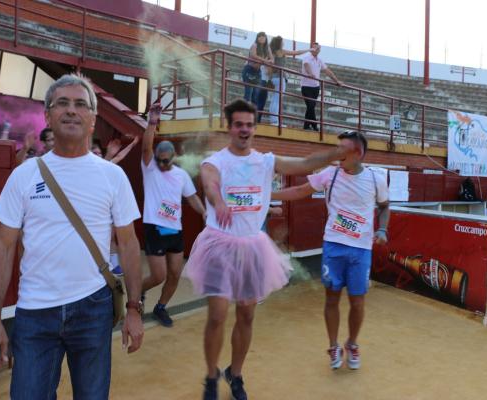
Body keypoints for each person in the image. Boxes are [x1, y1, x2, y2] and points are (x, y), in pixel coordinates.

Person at [0, 74, 144, 399]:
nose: (72, 111)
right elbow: (3, 247)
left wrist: (135, 310)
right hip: (34, 312)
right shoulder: (23, 176)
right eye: (62, 104)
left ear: (93, 120)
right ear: (48, 115)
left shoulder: (113, 176)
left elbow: (128, 244)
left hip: (94, 307)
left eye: (81, 104)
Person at [185, 99, 352, 400]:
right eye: (239, 124)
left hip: (252, 246)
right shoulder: (216, 161)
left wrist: (337, 153)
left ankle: (234, 374)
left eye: (249, 124)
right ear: (229, 127)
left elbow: (304, 164)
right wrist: (219, 201)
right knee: (218, 314)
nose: (244, 130)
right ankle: (211, 375)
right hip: (220, 244)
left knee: (247, 314)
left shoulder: (264, 161)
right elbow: (210, 184)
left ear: (254, 127)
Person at [272, 130, 389, 370]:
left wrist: (383, 229)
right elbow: (298, 191)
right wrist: (266, 195)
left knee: (358, 302)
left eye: (342, 149)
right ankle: (333, 344)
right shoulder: (329, 174)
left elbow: (385, 207)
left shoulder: (376, 179)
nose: (336, 153)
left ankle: (352, 343)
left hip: (361, 250)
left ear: (358, 153)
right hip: (334, 247)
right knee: (331, 298)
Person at [141, 104, 206, 327]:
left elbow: (192, 198)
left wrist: (204, 211)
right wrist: (152, 122)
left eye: (166, 160)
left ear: (173, 157)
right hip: (154, 226)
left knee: (175, 274)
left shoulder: (181, 176)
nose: (161, 163)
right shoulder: (150, 169)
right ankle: (137, 292)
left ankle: (161, 307)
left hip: (174, 229)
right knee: (157, 276)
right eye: (159, 159)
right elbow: (146, 148)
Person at [91, 136, 141, 276]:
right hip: (92, 209)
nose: (97, 155)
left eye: (99, 153)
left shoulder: (108, 166)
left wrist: (132, 144)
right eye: (94, 153)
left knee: (112, 237)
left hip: (106, 207)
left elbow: (119, 155)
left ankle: (114, 264)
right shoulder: (85, 170)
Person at [267, 36, 312, 126]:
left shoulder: (271, 51)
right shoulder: (281, 51)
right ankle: (274, 121)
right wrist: (309, 49)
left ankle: (274, 120)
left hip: (274, 77)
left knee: (275, 99)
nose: (283, 43)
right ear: (279, 43)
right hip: (280, 77)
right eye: (282, 41)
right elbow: (296, 53)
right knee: (277, 100)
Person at [300, 43, 342, 131]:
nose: (317, 49)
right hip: (306, 86)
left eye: (318, 48)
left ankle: (306, 126)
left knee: (310, 107)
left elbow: (327, 71)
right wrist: (310, 73)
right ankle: (315, 125)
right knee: (311, 105)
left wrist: (336, 81)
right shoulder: (307, 57)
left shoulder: (319, 60)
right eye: (315, 48)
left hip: (315, 87)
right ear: (312, 48)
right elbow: (306, 65)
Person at [241, 32, 273, 104]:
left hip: (258, 71)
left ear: (266, 38)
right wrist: (265, 60)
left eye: (263, 37)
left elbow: (272, 59)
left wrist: (269, 60)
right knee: (248, 94)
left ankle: (251, 114)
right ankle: (244, 113)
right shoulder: (254, 45)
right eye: (260, 36)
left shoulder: (267, 47)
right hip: (249, 70)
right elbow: (253, 55)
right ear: (257, 38)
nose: (261, 38)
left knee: (255, 96)